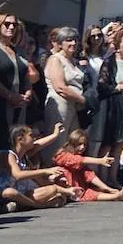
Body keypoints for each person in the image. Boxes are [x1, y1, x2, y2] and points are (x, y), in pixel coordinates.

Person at [0, 123, 71, 212]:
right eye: (31, 135)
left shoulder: (23, 154)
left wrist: (55, 134)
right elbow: (17, 175)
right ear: (20, 139)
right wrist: (45, 171)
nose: (34, 138)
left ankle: (17, 205)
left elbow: (39, 144)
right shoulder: (7, 154)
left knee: (52, 190)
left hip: (18, 193)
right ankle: (39, 205)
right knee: (10, 192)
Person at [0, 10, 37, 162]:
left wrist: (28, 91)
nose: (11, 27)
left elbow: (26, 75)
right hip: (0, 105)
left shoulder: (18, 50)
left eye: (14, 25)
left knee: (16, 145)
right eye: (7, 24)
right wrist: (9, 95)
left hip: (19, 105)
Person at [92, 31, 123, 175]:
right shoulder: (110, 62)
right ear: (118, 46)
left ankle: (113, 178)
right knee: (108, 143)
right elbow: (102, 86)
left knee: (120, 144)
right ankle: (102, 177)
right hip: (113, 108)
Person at [42, 27, 87, 163]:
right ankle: (50, 173)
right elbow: (60, 87)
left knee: (72, 142)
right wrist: (83, 100)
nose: (73, 43)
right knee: (57, 143)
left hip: (73, 106)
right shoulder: (56, 59)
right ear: (60, 43)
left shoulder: (73, 61)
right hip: (59, 105)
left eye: (75, 40)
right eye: (68, 40)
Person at [52, 129, 123, 202]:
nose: (82, 147)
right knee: (89, 192)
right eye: (79, 144)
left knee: (92, 191)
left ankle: (122, 195)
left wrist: (108, 189)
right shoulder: (61, 155)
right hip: (64, 189)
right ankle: (120, 195)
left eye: (84, 145)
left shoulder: (81, 162)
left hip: (79, 190)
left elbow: (90, 176)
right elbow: (76, 160)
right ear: (72, 143)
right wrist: (100, 161)